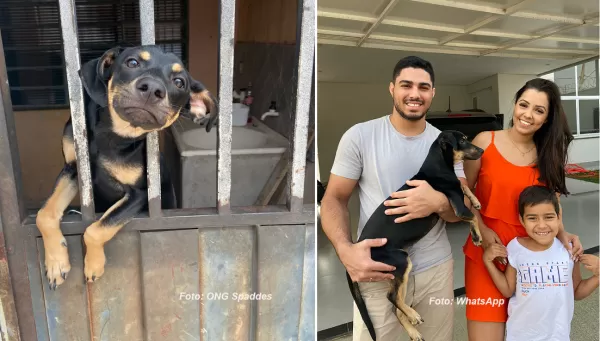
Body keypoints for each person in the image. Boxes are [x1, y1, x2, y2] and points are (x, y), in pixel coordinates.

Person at [320, 55, 469, 341]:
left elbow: (458, 212)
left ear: (432, 93)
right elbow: (334, 198)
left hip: (435, 270)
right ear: (392, 89)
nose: (415, 94)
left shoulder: (448, 143)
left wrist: (438, 202)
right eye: (406, 85)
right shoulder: (360, 136)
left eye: (423, 87)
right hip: (377, 268)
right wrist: (344, 249)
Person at [462, 78, 584, 341]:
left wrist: (563, 234)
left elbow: (553, 202)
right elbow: (464, 194)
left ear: (547, 118)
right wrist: (481, 230)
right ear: (515, 104)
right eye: (523, 105)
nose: (527, 115)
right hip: (490, 255)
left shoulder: (548, 153)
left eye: (539, 110)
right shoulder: (485, 141)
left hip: (535, 256)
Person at [483, 185, 599, 341]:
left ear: (559, 217)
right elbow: (507, 290)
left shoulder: (568, 250)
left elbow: (576, 291)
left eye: (549, 217)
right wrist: (488, 261)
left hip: (557, 335)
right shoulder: (515, 248)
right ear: (521, 220)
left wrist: (598, 276)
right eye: (532, 218)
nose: (541, 225)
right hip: (520, 335)